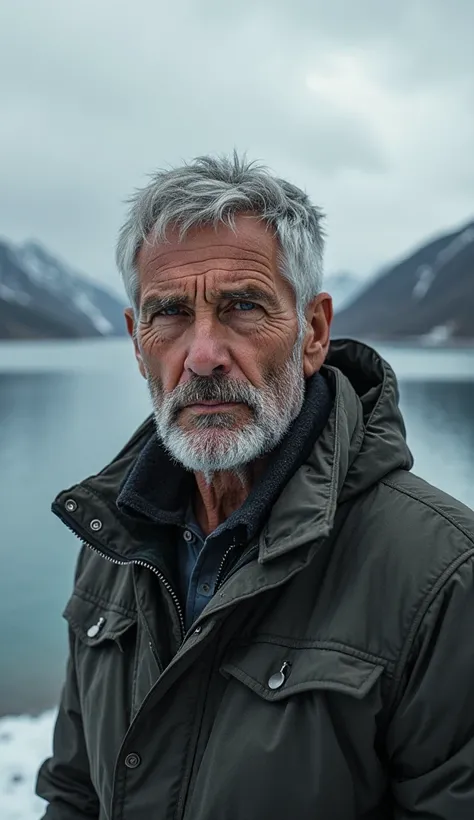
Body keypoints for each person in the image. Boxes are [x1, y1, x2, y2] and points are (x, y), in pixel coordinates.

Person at [37, 153, 474, 820]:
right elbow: (75, 793)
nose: (204, 354)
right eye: (171, 314)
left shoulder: (442, 577)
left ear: (313, 332)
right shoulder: (111, 543)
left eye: (243, 307)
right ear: (136, 342)